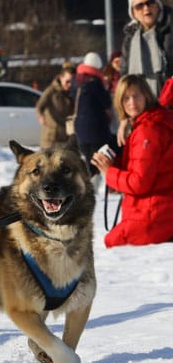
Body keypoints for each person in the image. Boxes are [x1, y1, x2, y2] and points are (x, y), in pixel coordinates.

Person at [91, 74, 173, 247]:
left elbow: (140, 183)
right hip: (158, 211)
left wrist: (109, 172)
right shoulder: (151, 122)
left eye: (136, 95)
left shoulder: (147, 130)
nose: (132, 102)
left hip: (153, 215)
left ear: (146, 95)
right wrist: (116, 164)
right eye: (126, 98)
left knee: (107, 245)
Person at [119, 0, 173, 98]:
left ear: (158, 4)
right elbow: (125, 76)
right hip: (143, 107)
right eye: (139, 6)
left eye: (150, 2)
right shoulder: (130, 38)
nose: (146, 8)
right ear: (133, 12)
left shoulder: (170, 27)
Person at [72, 52, 114, 178]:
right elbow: (106, 102)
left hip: (80, 127)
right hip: (96, 128)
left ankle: (82, 182)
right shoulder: (95, 82)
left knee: (89, 159)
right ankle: (84, 183)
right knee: (97, 161)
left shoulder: (77, 80)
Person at [35, 61, 75, 147]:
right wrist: (40, 116)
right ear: (61, 77)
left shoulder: (72, 92)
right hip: (51, 139)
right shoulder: (51, 91)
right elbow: (39, 107)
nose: (70, 84)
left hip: (65, 138)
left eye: (72, 81)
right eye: (67, 81)